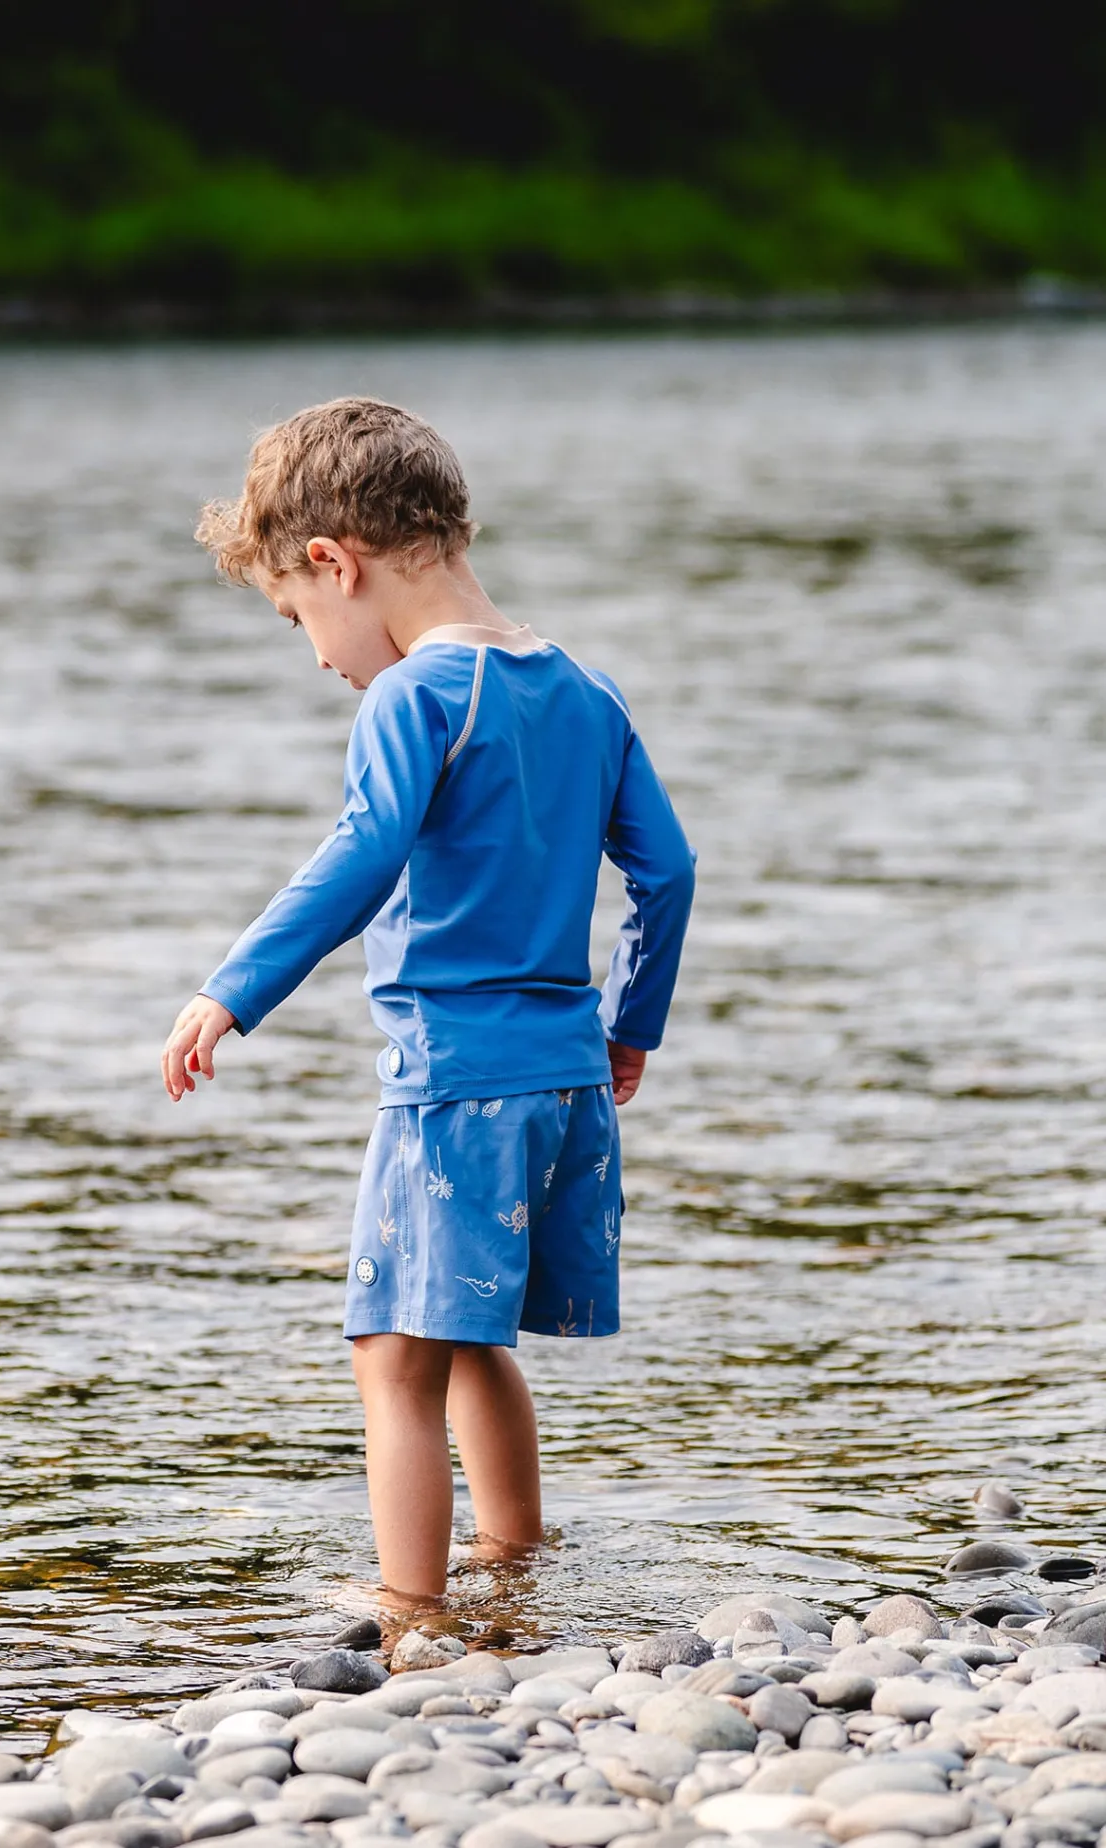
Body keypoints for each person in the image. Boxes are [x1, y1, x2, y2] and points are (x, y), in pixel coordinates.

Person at [160, 398, 696, 1604]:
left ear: (334, 563)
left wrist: (232, 990)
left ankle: (411, 1615)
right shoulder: (587, 691)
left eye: (298, 617)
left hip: (453, 1087)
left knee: (393, 1358)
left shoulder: (413, 699)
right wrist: (632, 1026)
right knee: (468, 1337)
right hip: (568, 1083)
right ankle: (513, 1564)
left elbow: (361, 856)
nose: (318, 655)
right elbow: (667, 872)